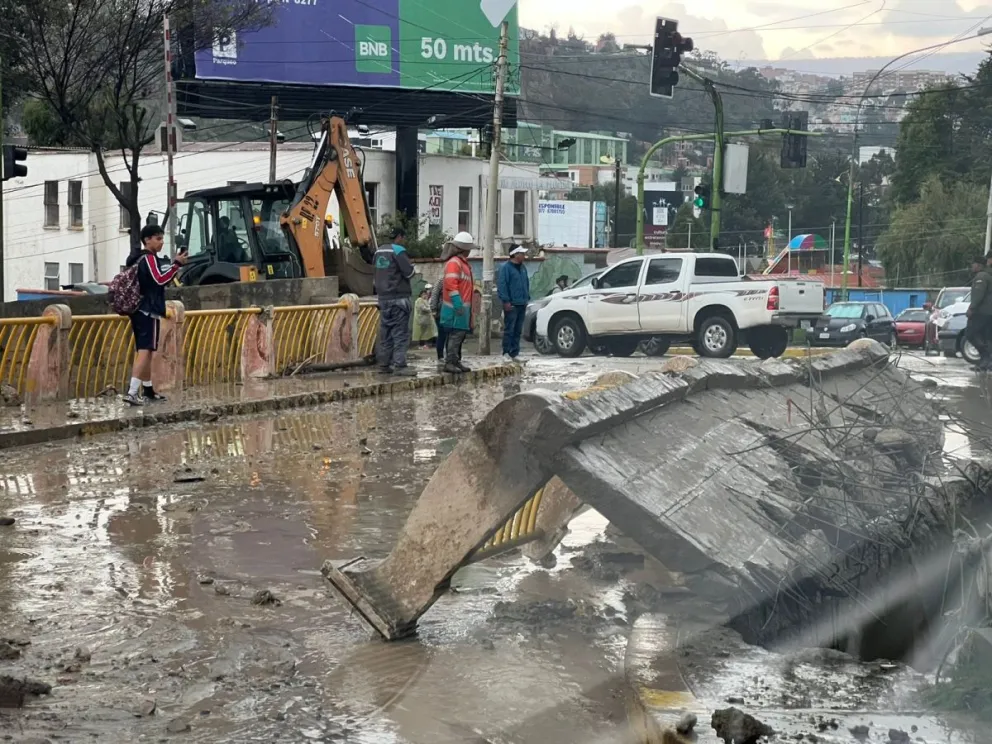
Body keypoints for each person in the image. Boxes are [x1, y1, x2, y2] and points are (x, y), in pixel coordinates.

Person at [123, 224, 188, 406]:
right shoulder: (148, 258)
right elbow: (160, 279)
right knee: (145, 351)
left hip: (139, 310)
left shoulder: (138, 259)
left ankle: (148, 390)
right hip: (147, 310)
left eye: (162, 239)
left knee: (146, 350)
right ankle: (132, 392)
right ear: (147, 240)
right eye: (158, 239)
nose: (161, 243)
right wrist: (176, 265)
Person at [373, 226, 417, 376]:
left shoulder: (378, 251)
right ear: (400, 237)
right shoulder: (398, 251)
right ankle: (400, 365)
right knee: (400, 333)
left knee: (386, 333)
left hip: (383, 299)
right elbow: (409, 273)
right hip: (398, 298)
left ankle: (384, 364)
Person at [439, 233, 476, 374]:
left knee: (459, 336)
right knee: (455, 336)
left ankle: (455, 361)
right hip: (455, 309)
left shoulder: (461, 263)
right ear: (464, 249)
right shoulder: (455, 263)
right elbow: (451, 285)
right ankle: (450, 362)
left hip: (461, 309)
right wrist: (458, 304)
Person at [497, 245, 530, 362]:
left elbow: (526, 283)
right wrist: (505, 301)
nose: (524, 256)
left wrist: (527, 298)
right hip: (511, 304)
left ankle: (515, 353)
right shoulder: (505, 268)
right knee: (509, 329)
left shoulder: (523, 268)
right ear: (515, 254)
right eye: (522, 253)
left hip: (522, 303)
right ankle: (506, 352)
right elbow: (502, 285)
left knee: (518, 330)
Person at [967, 253, 992, 370]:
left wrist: (971, 308)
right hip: (988, 313)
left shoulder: (981, 276)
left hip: (981, 312)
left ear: (978, 265)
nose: (972, 266)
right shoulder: (988, 275)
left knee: (971, 334)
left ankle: (985, 357)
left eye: (973, 264)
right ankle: (986, 362)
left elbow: (978, 294)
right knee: (986, 336)